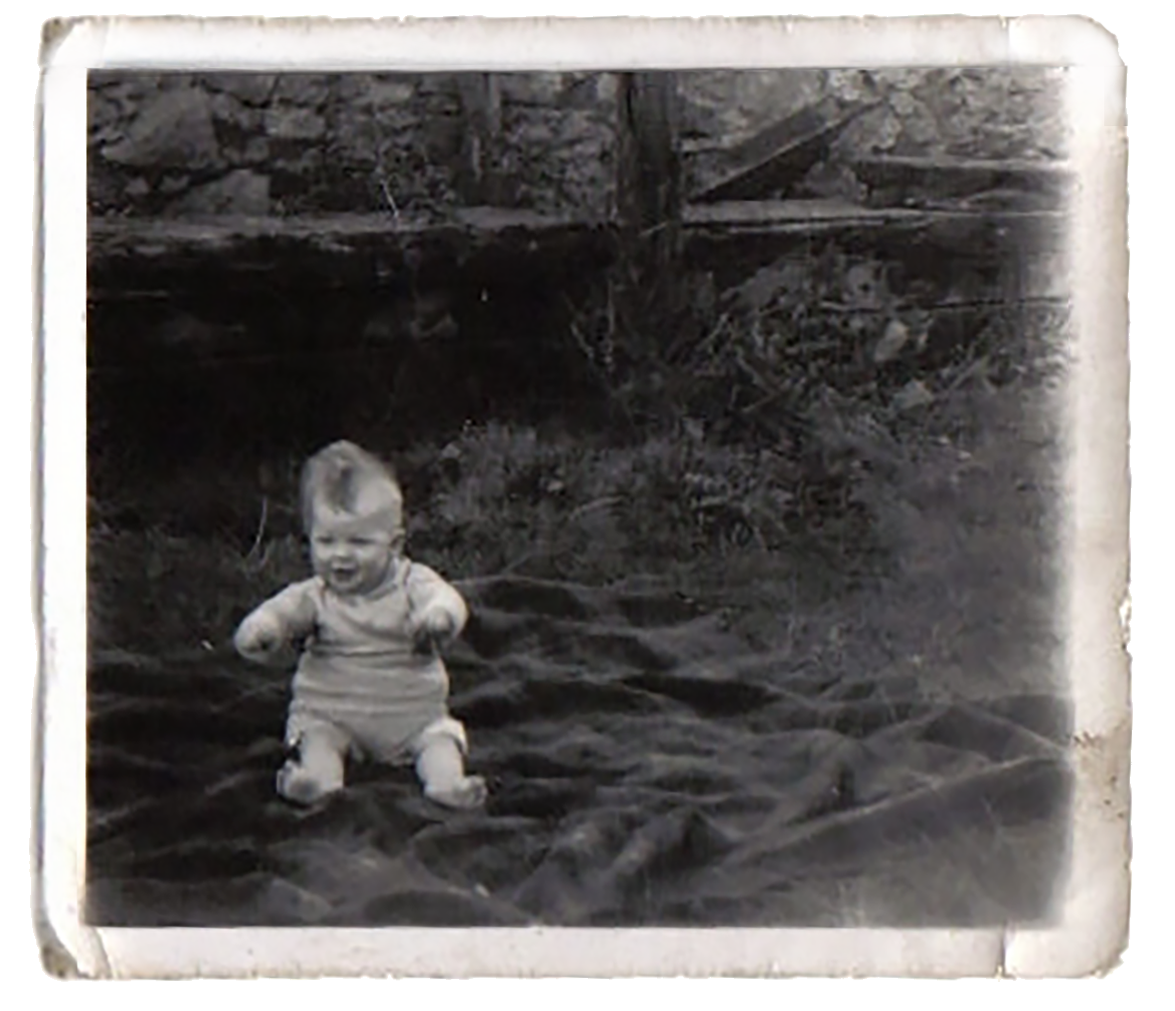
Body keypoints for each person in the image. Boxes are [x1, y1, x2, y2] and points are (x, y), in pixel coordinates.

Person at [233, 440, 486, 810]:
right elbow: (279, 614)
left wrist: (439, 618)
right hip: (333, 714)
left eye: (359, 542)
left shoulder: (412, 582)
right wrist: (262, 630)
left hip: (411, 716)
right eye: (326, 540)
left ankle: (447, 785)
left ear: (394, 545)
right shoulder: (316, 595)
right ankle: (318, 781)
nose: (340, 554)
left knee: (439, 742)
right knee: (317, 737)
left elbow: (448, 600)